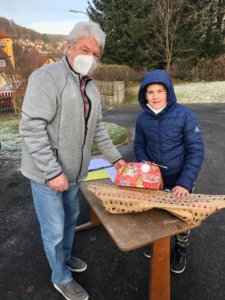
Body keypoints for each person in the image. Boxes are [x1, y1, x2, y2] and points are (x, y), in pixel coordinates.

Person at [19, 21, 125, 300]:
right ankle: (60, 277)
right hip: (46, 174)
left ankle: (63, 259)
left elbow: (98, 128)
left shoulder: (90, 87)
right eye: (84, 49)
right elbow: (31, 128)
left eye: (96, 54)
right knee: (53, 229)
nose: (89, 57)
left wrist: (116, 160)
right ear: (69, 46)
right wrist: (53, 173)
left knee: (69, 222)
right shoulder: (46, 77)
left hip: (76, 173)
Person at [134, 69, 204, 274]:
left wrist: (184, 182)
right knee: (155, 213)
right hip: (154, 182)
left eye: (160, 91)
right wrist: (148, 169)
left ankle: (181, 249)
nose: (155, 96)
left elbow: (196, 150)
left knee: (181, 217)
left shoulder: (185, 116)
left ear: (169, 92)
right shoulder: (142, 119)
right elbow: (139, 145)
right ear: (144, 94)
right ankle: (156, 240)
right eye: (150, 92)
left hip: (181, 180)